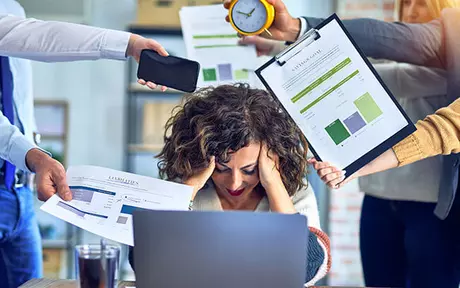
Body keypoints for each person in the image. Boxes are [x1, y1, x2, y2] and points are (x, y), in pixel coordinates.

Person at [0, 2, 171, 287]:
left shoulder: (11, 8)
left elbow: (40, 37)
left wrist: (129, 44)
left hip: (22, 191)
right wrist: (33, 155)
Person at [128, 83, 331, 286]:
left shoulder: (293, 193)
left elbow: (309, 268)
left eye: (249, 170)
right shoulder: (183, 189)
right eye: (221, 169)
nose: (234, 184)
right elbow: (143, 262)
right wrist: (188, 189)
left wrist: (274, 184)